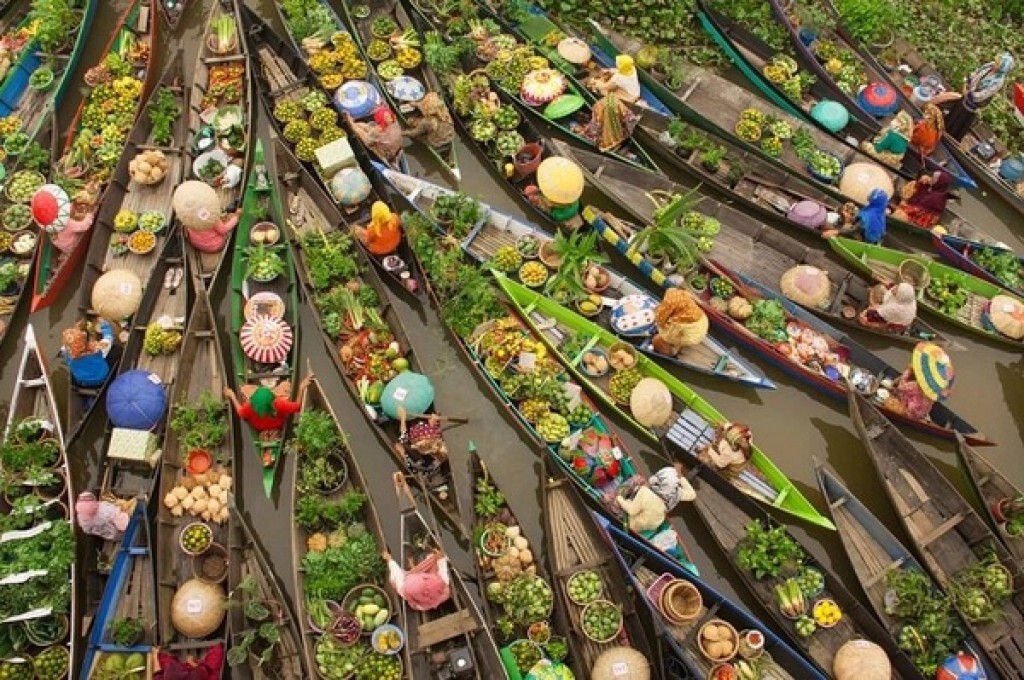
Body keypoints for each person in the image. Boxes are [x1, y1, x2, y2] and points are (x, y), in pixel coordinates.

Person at [946, 53, 1015, 141]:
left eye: (998, 64)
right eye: (996, 61)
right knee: (952, 115)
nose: (995, 63)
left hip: (972, 104)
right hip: (965, 95)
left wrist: (968, 94)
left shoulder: (998, 81)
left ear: (1002, 68)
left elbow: (983, 95)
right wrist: (965, 85)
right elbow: (974, 74)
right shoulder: (989, 66)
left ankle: (948, 138)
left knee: (957, 124)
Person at [222, 375, 312, 434]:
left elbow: (240, 412)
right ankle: (276, 389)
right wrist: (301, 388)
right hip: (278, 424)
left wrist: (232, 395)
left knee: (244, 388)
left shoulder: (250, 406)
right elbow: (298, 407)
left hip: (259, 427)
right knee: (285, 384)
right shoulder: (278, 404)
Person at [893, 342, 953, 420]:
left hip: (910, 413)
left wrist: (908, 370)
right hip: (923, 414)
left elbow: (900, 388)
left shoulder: (916, 385)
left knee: (897, 392)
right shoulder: (933, 388)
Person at [383, 547, 451, 611]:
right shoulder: (439, 582)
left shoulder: (405, 590)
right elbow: (443, 573)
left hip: (423, 603)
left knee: (394, 578)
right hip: (436, 596)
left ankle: (413, 569)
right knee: (435, 559)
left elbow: (397, 574)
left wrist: (390, 560)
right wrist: (441, 559)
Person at [61, 319, 116, 388]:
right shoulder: (96, 349)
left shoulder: (67, 353)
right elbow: (108, 338)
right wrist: (105, 325)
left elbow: (69, 345)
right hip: (101, 378)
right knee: (116, 349)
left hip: (81, 381)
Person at [151, 643, 224, 680]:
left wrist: (155, 654)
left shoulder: (169, 674)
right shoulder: (194, 676)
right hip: (202, 675)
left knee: (161, 658)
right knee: (217, 651)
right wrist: (191, 662)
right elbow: (205, 670)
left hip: (188, 671)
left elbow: (157, 674)